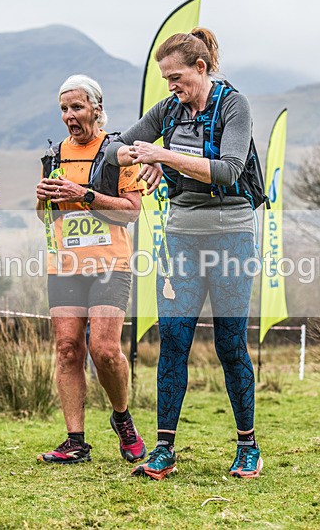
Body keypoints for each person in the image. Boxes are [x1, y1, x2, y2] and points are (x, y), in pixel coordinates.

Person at [105, 28, 263, 479]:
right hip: (180, 239)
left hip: (232, 236)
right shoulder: (169, 110)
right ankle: (163, 450)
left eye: (176, 76)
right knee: (173, 343)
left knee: (231, 346)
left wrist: (166, 156)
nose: (171, 86)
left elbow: (230, 171)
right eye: (164, 78)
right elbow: (116, 147)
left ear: (201, 68)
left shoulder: (235, 105)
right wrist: (142, 156)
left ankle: (248, 447)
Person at [35, 75, 146, 465]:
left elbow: (132, 211)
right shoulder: (54, 156)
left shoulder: (118, 153)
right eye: (64, 109)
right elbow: (47, 216)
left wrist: (84, 195)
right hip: (64, 264)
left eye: (77, 107)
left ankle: (123, 419)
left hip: (110, 264)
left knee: (104, 349)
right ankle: (75, 440)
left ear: (97, 109)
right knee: (67, 350)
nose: (69, 116)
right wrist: (43, 200)